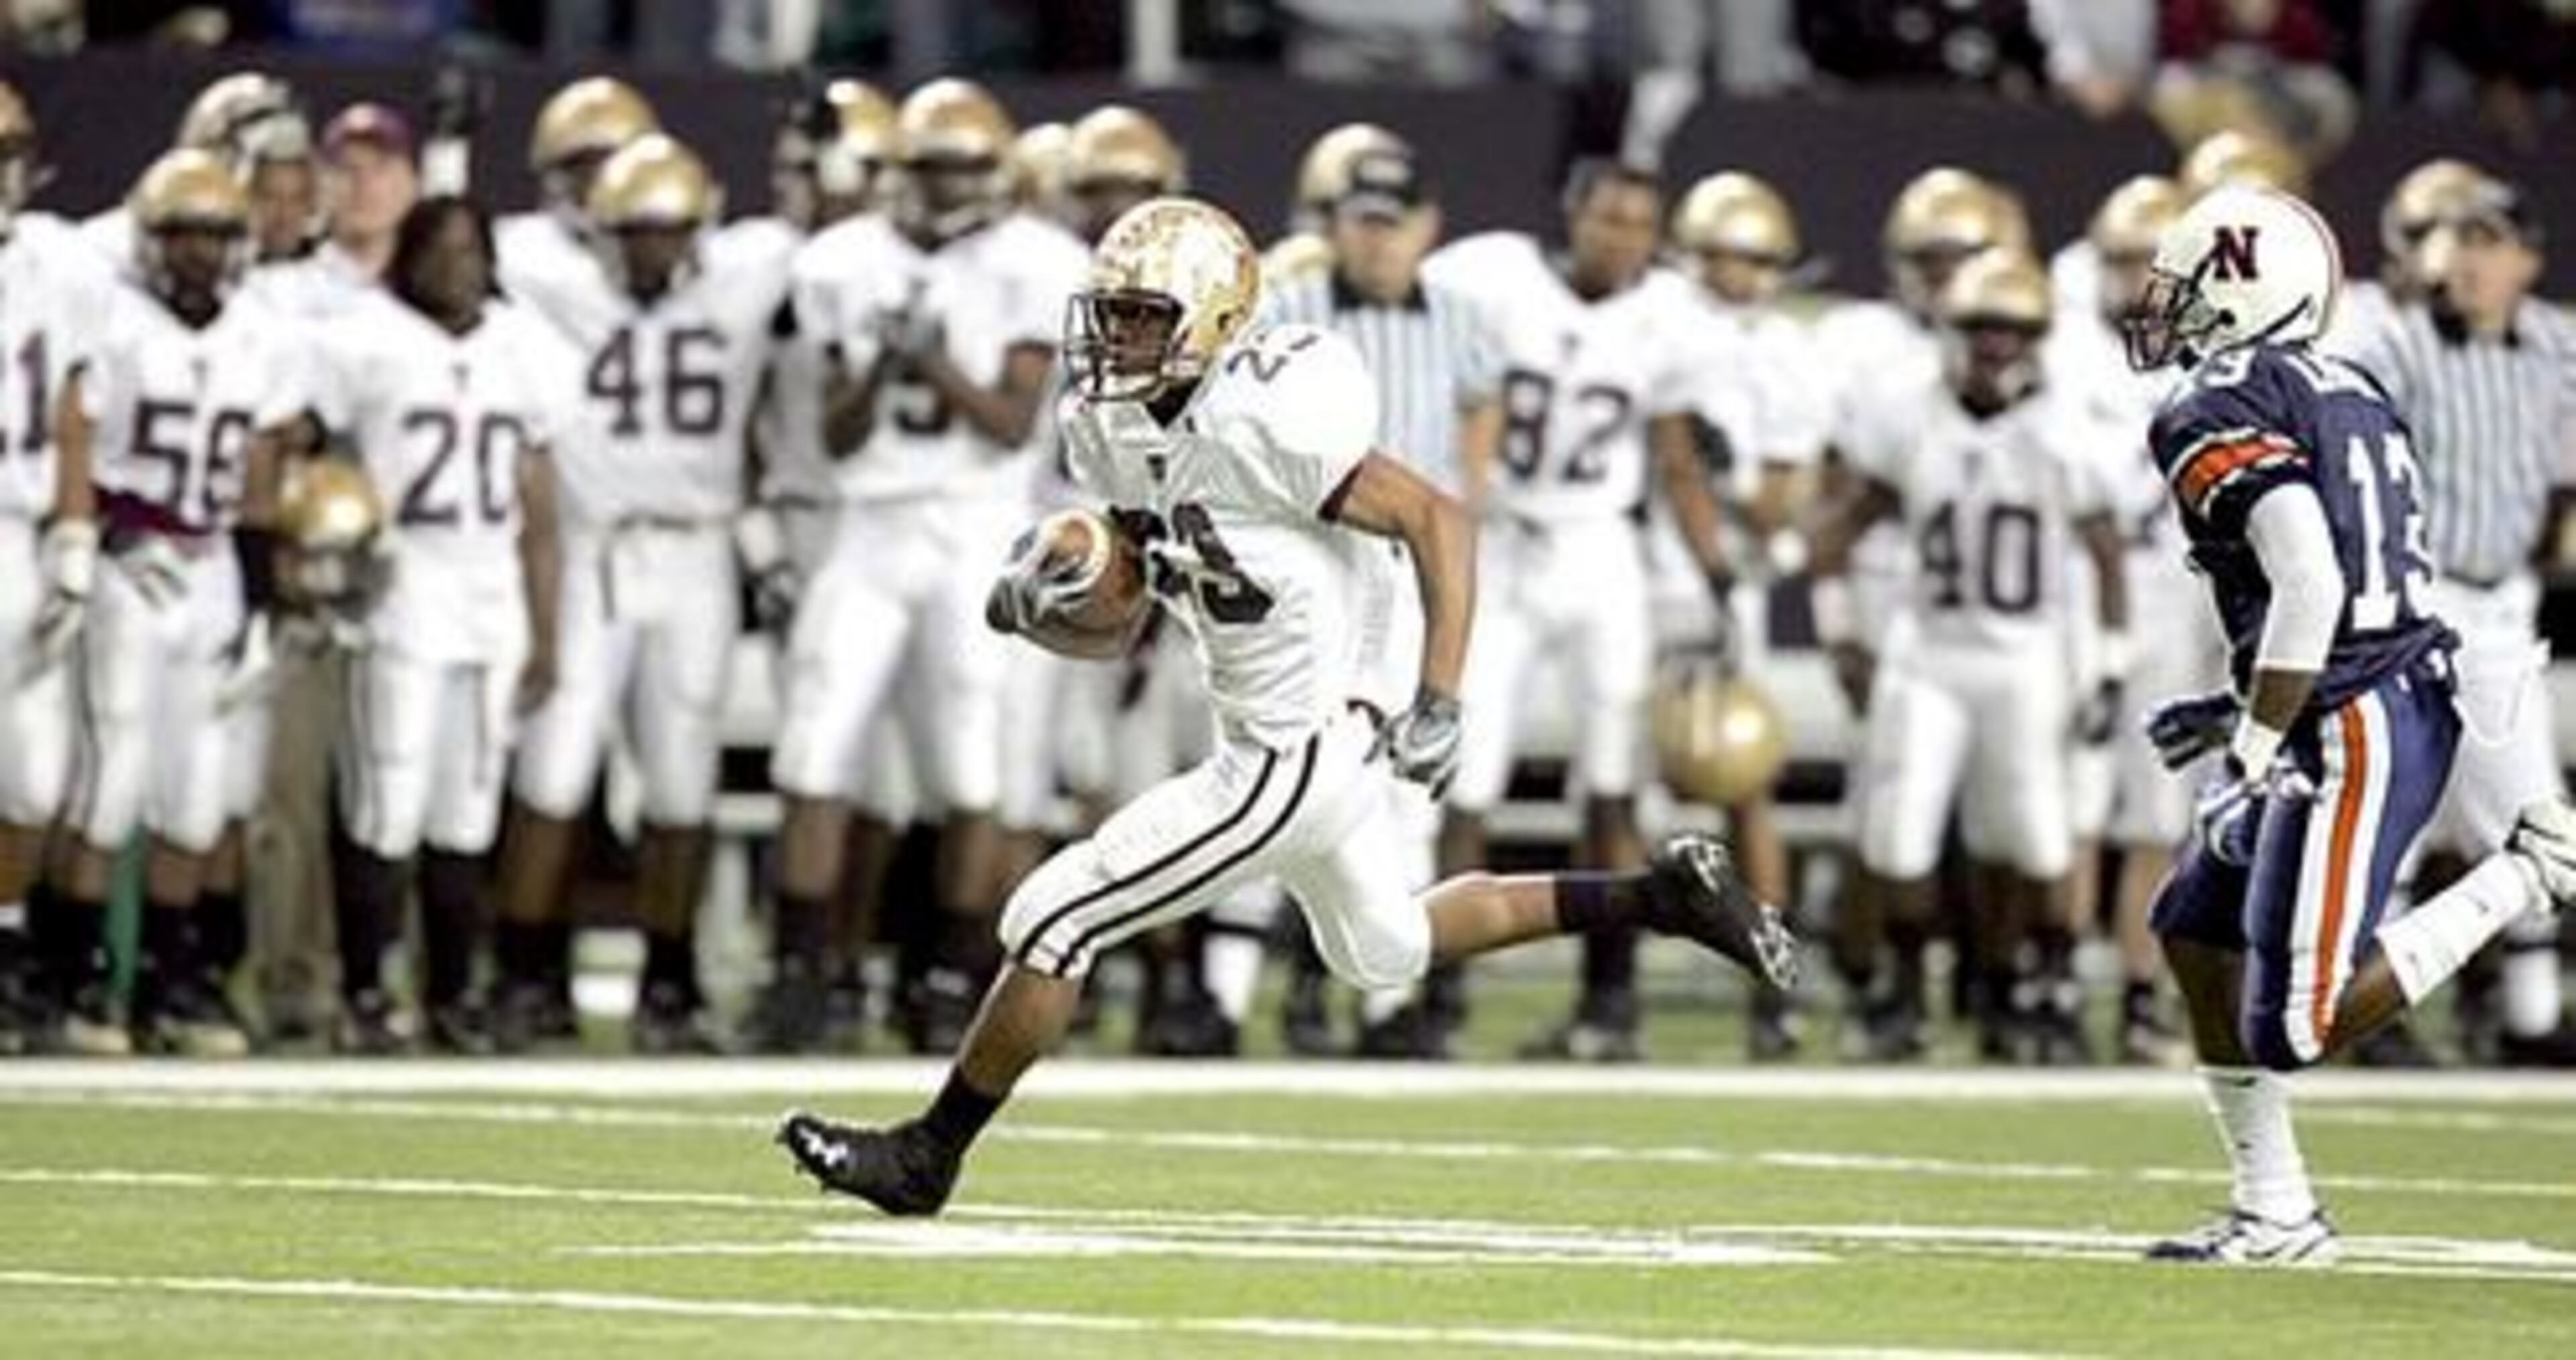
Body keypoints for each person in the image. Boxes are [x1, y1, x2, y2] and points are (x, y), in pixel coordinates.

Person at [776, 196, 1796, 1216]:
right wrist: (1055, 599)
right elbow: (1139, 595)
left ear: (1217, 321)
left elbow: (1440, 521)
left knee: (1052, 915)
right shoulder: (1111, 425)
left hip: (1294, 749)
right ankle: (1659, 896)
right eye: (1113, 314)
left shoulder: (1267, 411)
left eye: (1144, 317)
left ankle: (928, 1156)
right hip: (1294, 732)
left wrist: (1439, 696)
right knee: (1383, 947)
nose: (1118, 337)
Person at [2121, 184, 2576, 1263]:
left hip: (2353, 714)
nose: (2169, 309)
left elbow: (2315, 586)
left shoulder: (2211, 404)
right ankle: (2273, 1206)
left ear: (2238, 292)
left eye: (2188, 288)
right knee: (2194, 931)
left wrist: (2258, 741)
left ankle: (2536, 868)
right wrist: (2244, 703)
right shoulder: (2352, 384)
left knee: (2301, 1017)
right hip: (2376, 682)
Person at [766, 78, 1088, 1053]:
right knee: (813, 749)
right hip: (870, 524)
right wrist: (880, 366)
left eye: (962, 166)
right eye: (930, 166)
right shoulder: (840, 262)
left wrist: (934, 363)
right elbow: (835, 432)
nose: (946, 185)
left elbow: (1009, 424)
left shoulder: (1035, 262)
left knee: (972, 766)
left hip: (977, 528)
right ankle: (804, 977)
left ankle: (950, 976)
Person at [1424, 159, 1742, 1064]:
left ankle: (1610, 1000)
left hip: (1603, 552)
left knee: (1613, 779)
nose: (1622, 239)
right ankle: (1438, 991)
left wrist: (1718, 573)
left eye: (1641, 224)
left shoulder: (1670, 316)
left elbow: (1676, 457)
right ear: (1573, 216)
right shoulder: (1489, 274)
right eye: (1608, 219)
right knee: (1468, 773)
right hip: (1507, 545)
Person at [493, 134, 788, 1053]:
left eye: (668, 231)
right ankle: (524, 974)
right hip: (590, 552)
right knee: (552, 773)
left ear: (701, 227)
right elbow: (456, 241)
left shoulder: (745, 274)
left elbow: (816, 233)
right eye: (632, 232)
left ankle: (673, 979)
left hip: (697, 554)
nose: (651, 250)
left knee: (681, 785)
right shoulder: (551, 276)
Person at [1812, 250, 2131, 1064]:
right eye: (1981, 328)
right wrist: (1841, 629)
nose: (1994, 347)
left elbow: (2107, 556)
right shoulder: (1909, 414)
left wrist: (2111, 668)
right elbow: (1840, 529)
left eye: (2012, 331)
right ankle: (1906, 993)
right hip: (1930, 653)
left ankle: (2040, 987)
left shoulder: (2067, 430)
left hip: (2026, 658)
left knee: (2035, 832)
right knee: (1901, 830)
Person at [44, 148, 303, 1057]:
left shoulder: (263, 331)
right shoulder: (113, 321)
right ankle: (77, 979)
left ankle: (170, 978)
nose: (198, 256)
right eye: (182, 236)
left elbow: (265, 481)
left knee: (196, 790)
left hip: (213, 563)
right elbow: (72, 434)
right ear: (150, 241)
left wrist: (267, 602)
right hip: (132, 555)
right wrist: (99, 538)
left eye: (215, 237)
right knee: (111, 776)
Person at [1258, 135, 1502, 1059]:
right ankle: (1270, 990)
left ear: (1426, 228)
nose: (1377, 243)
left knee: (1407, 794)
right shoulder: (1292, 306)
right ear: (1335, 227)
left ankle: (1388, 1005)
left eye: (1393, 226)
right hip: (1313, 571)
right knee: (1292, 777)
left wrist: (1464, 490)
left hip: (1411, 573)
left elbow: (1484, 400)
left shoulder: (1463, 317)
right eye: (1361, 224)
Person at [307, 197, 567, 1054]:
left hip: (491, 586)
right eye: (440, 248)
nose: (456, 265)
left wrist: (548, 627)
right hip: (403, 576)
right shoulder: (362, 337)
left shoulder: (521, 344)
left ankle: (453, 994)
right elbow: (310, 452)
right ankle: (365, 993)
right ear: (408, 256)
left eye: (470, 248)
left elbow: (538, 504)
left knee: (467, 808)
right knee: (389, 793)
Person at [2334, 173, 2576, 1066]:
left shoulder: (2555, 344)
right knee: (2402, 810)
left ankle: (2526, 1013)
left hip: (2505, 601)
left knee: (2524, 817)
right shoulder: (2395, 344)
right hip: (2416, 601)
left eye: (2487, 242)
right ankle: (2377, 1012)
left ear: (2527, 260)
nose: (2467, 259)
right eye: (2454, 240)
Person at [1662, 169, 1830, 1060]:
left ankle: (1774, 989)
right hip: (1631, 564)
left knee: (1745, 780)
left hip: (1727, 584)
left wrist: (1724, 475)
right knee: (1610, 785)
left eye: (1763, 260)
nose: (1747, 276)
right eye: (1732, 256)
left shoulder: (1788, 356)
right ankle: (1603, 991)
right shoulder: (1657, 320)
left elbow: (1777, 507)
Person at [2041, 173, 2210, 1065]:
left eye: (2143, 261)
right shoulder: (2065, 349)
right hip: (2077, 595)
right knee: (2072, 805)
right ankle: (2060, 982)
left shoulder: (2219, 358)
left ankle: (2142, 997)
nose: (2128, 277)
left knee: (2157, 812)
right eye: (2115, 260)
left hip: (2177, 594)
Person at [0, 80, 115, 1054]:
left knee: (35, 780)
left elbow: (76, 408)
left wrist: (75, 540)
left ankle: (6, 950)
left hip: (22, 533)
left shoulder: (59, 264)